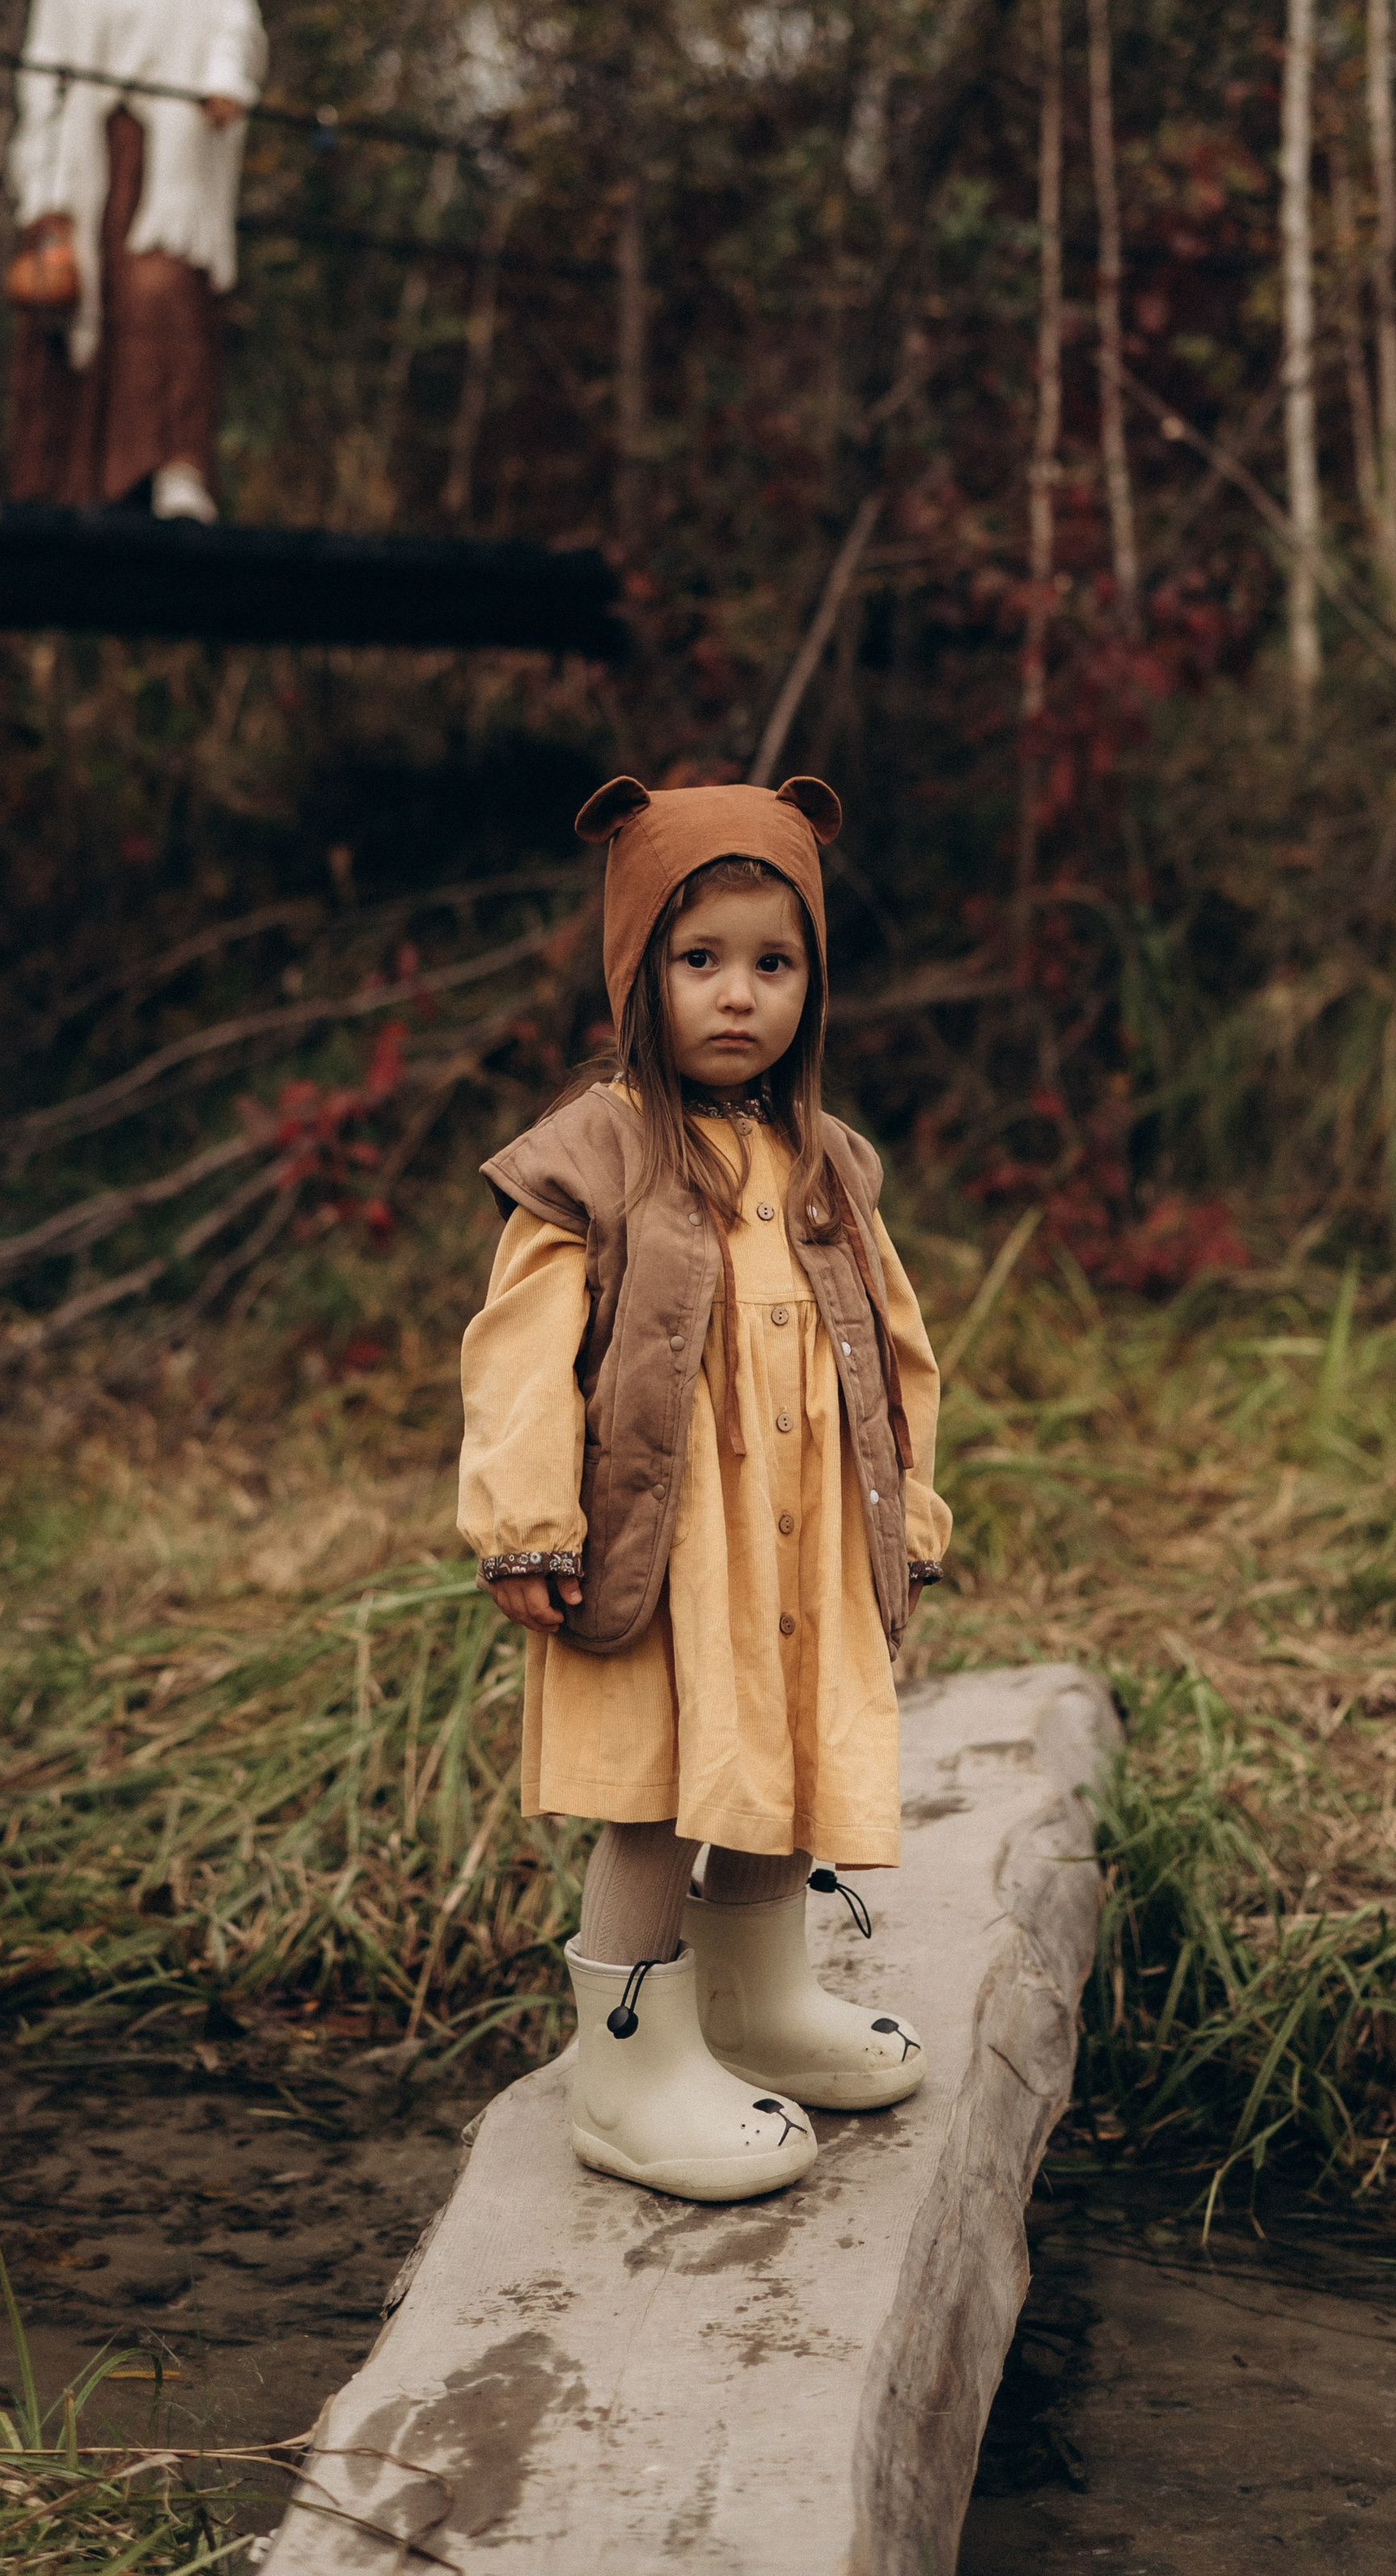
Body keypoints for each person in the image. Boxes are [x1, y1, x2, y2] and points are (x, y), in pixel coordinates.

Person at [458, 774, 954, 2204]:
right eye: (700, 961)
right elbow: (520, 1354)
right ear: (639, 974)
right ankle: (627, 2066)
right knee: (664, 1791)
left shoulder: (826, 1162)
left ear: (812, 980)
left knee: (778, 1760)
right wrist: (526, 1519)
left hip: (798, 1546)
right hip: (666, 1541)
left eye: (772, 963)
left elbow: (900, 1348)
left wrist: (908, 1510)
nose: (738, 996)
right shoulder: (597, 1152)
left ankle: (754, 2005)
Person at [5, 0, 267, 522]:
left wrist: (223, 84)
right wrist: (42, 190)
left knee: (161, 294)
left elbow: (233, 28)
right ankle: (60, 485)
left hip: (171, 162)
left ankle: (174, 470)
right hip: (82, 163)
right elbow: (43, 77)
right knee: (68, 300)